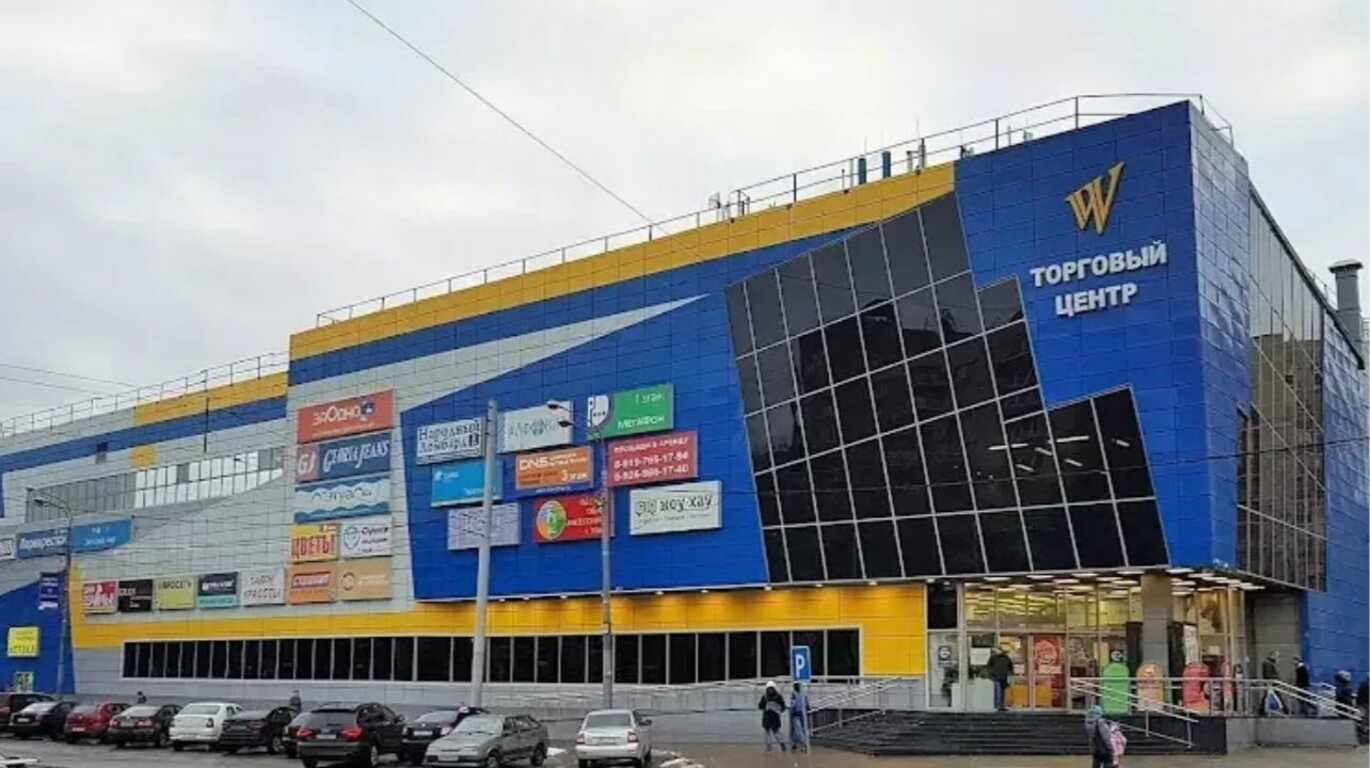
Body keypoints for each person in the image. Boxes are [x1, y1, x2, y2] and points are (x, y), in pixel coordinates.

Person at [757, 681, 786, 752]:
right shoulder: (777, 696)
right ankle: (778, 746)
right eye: (769, 688)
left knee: (772, 732)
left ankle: (772, 747)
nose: (770, 690)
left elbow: (760, 706)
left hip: (770, 718)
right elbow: (783, 707)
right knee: (773, 732)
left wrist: (775, 708)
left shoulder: (766, 696)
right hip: (772, 718)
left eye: (771, 688)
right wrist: (775, 708)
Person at [987, 647, 1013, 712]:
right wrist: (992, 675)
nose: (998, 651)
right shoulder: (993, 658)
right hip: (997, 677)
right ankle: (998, 706)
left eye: (999, 650)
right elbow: (989, 667)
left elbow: (1010, 667)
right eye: (997, 650)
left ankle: (1001, 706)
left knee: (1002, 693)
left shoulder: (1006, 657)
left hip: (1004, 677)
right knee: (999, 692)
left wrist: (1010, 675)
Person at [788, 682, 809, 753]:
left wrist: (792, 711)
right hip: (802, 713)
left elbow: (793, 704)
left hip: (796, 713)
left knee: (797, 729)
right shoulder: (804, 693)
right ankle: (795, 744)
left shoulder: (794, 694)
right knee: (799, 729)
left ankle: (804, 744)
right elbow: (807, 703)